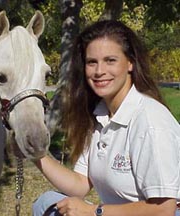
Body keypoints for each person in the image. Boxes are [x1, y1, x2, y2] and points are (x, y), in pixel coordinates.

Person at [32, 20, 180, 216]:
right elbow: (80, 185)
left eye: (110, 60)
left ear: (130, 63)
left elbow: (164, 209)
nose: (99, 71)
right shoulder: (99, 116)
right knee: (46, 204)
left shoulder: (151, 121)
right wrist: (35, 154)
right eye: (92, 62)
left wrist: (95, 211)